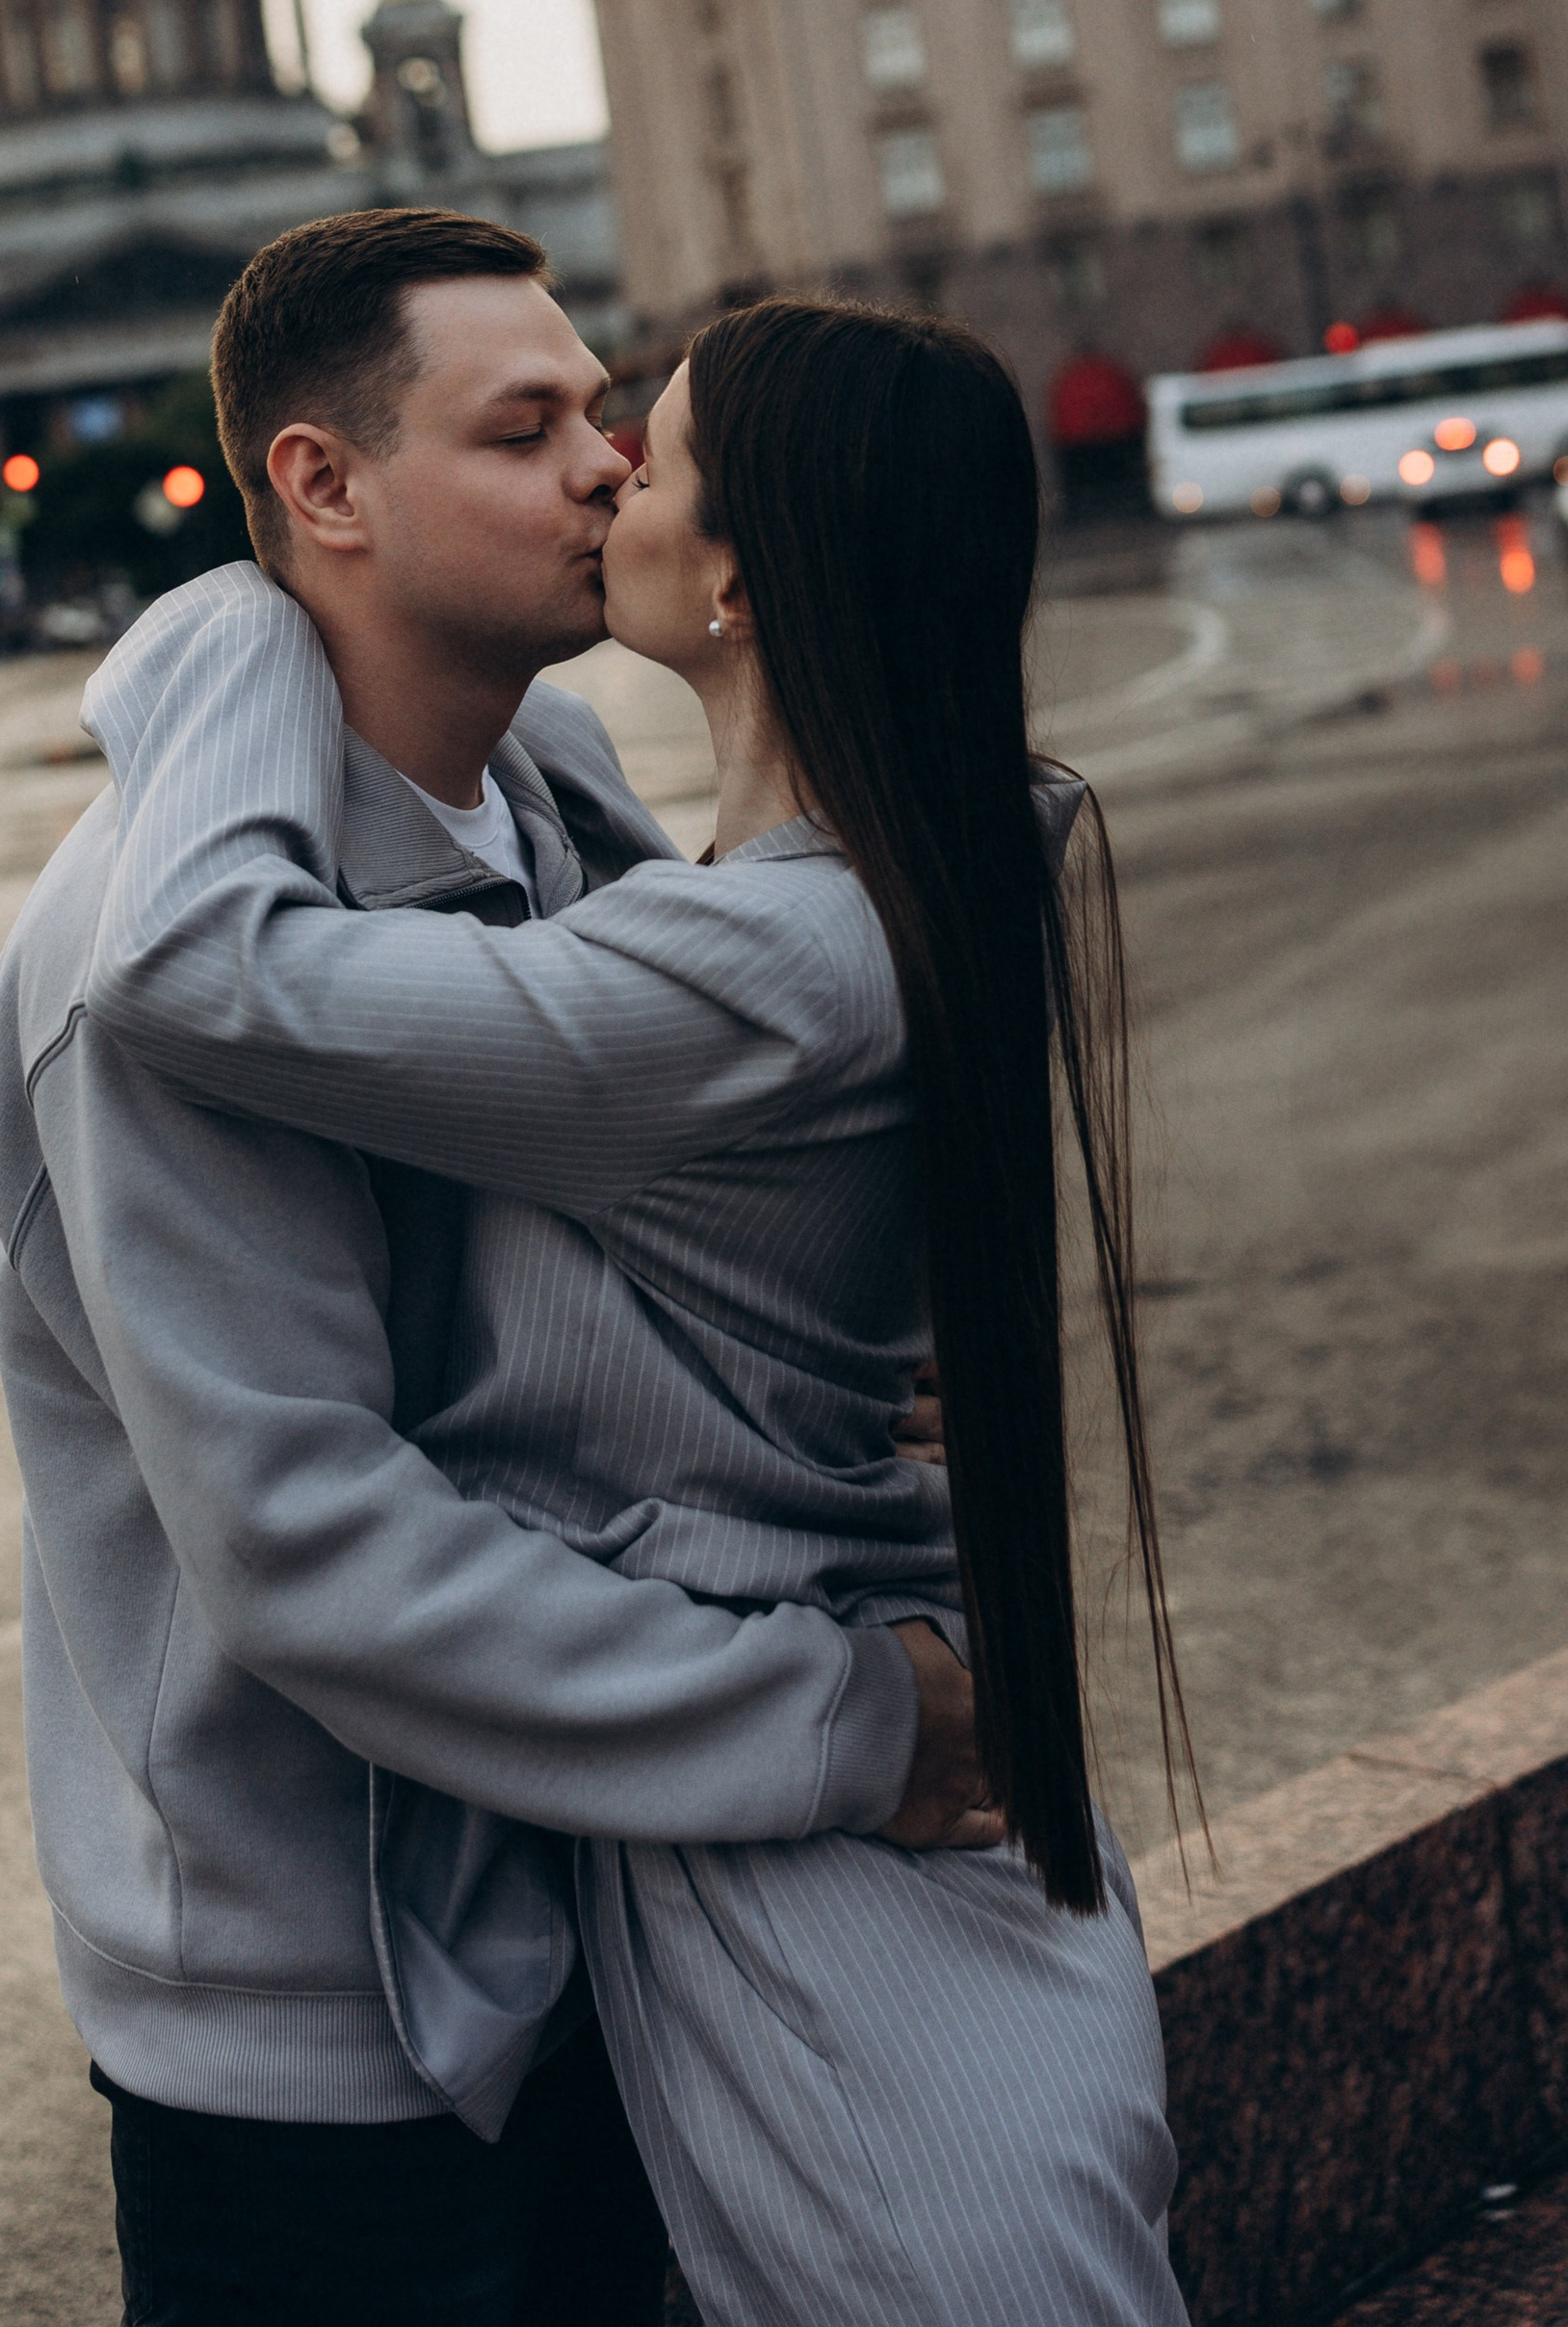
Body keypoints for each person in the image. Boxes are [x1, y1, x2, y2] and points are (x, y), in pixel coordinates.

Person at [88, 288, 1199, 2327]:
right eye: (556, 433)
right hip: (830, 1831)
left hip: (837, 1890)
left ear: (741, 571)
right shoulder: (868, 875)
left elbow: (201, 971)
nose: (605, 477)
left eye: (643, 450)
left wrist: (222, 628)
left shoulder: (751, 970)